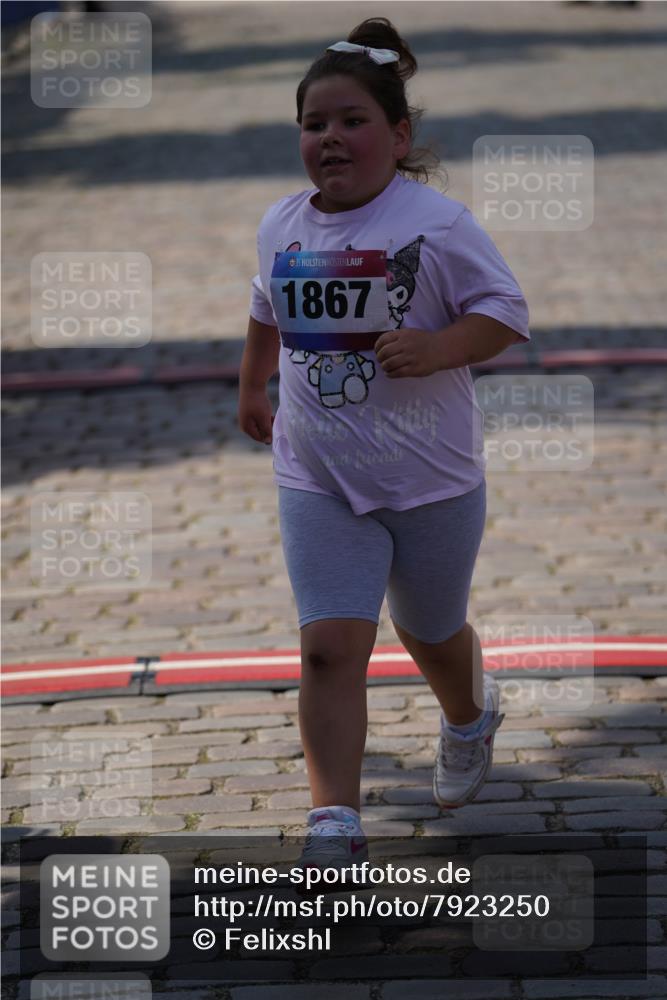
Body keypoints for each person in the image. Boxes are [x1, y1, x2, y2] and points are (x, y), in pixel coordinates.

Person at [238, 17, 530, 869]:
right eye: (313, 123)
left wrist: (438, 348)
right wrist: (254, 383)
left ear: (397, 138)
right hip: (318, 471)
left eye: (351, 121)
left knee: (431, 634)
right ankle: (334, 822)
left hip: (430, 475)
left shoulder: (436, 224)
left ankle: (468, 714)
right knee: (330, 648)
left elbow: (506, 314)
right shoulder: (281, 224)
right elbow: (265, 304)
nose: (329, 137)